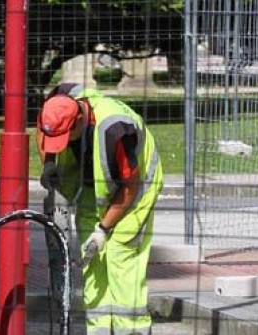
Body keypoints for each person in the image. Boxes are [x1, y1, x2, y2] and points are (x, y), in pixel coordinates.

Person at [36, 83, 163, 334]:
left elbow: (130, 185)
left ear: (80, 120)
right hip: (92, 188)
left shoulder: (116, 129)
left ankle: (132, 331)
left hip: (136, 192)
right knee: (91, 261)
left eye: (64, 138)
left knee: (122, 263)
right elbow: (45, 132)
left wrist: (104, 229)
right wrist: (49, 163)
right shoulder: (57, 104)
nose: (60, 145)